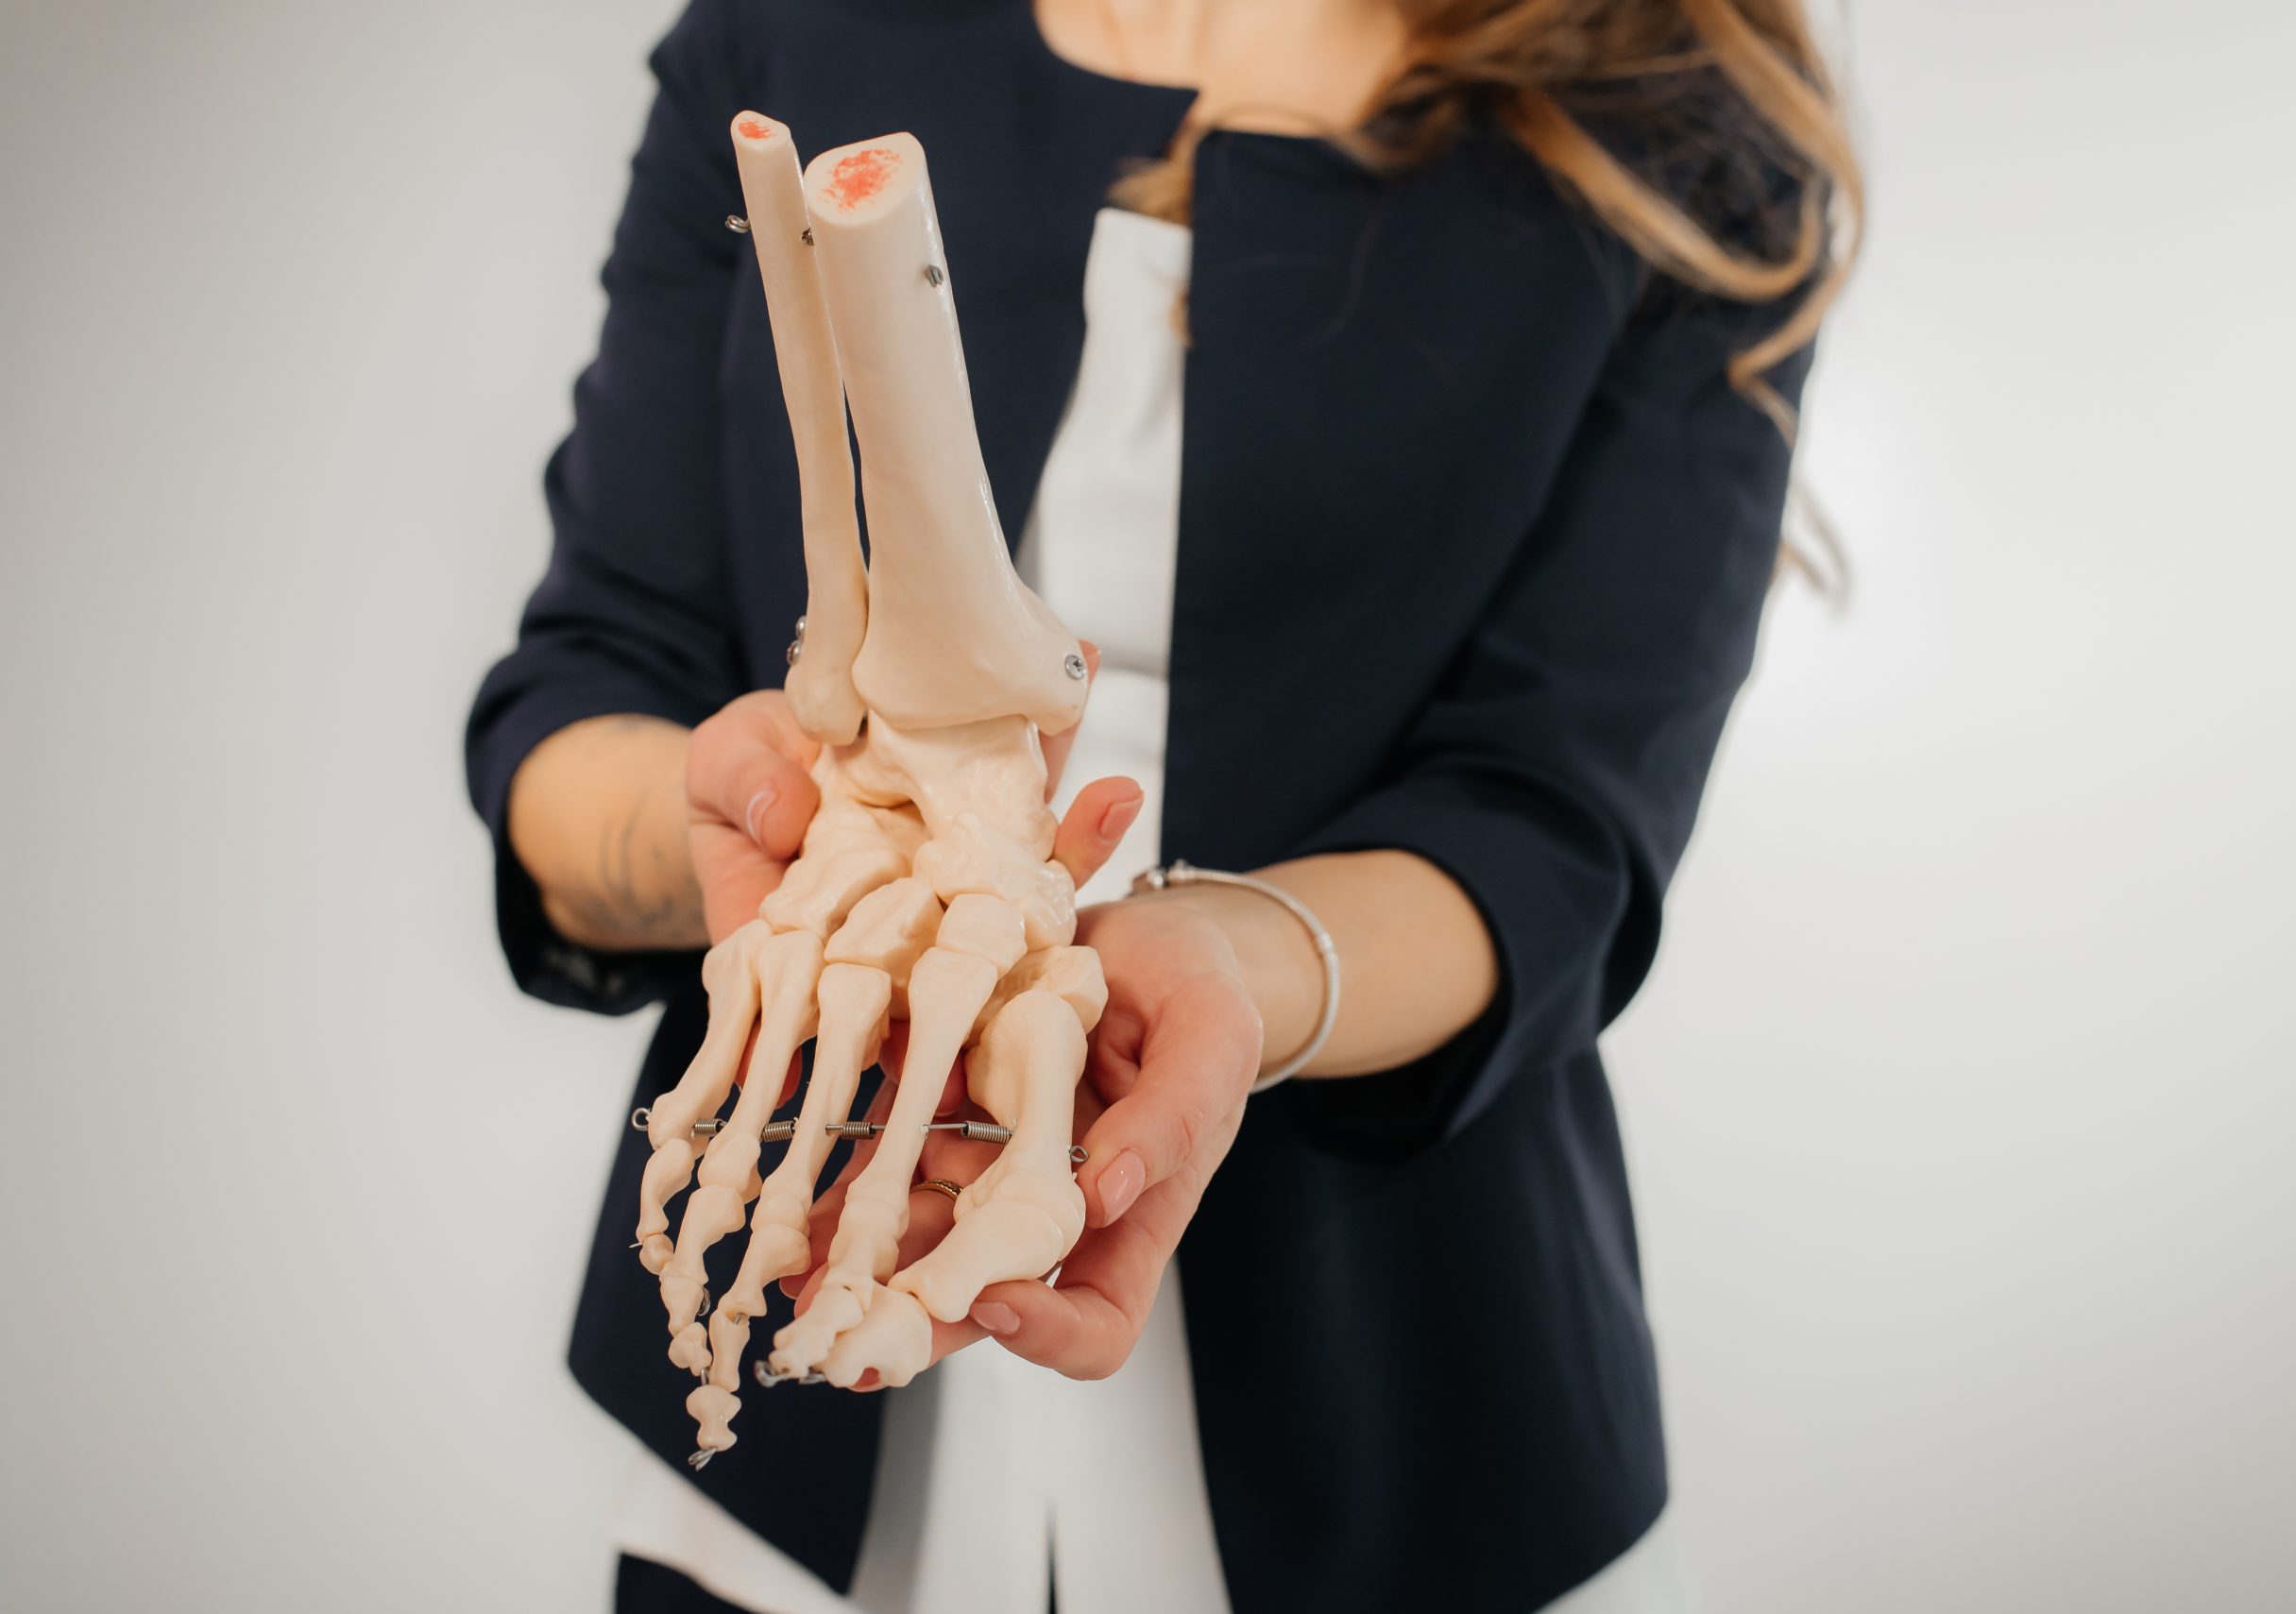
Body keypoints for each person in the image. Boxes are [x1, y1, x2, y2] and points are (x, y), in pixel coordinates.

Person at [465, 2, 1859, 1610]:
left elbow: (1556, 824)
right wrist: (760, 826)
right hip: (784, 1420)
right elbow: (585, 690)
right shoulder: (795, 27)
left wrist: (1234, 971)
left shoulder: (1679, 126)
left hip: (1399, 1400)